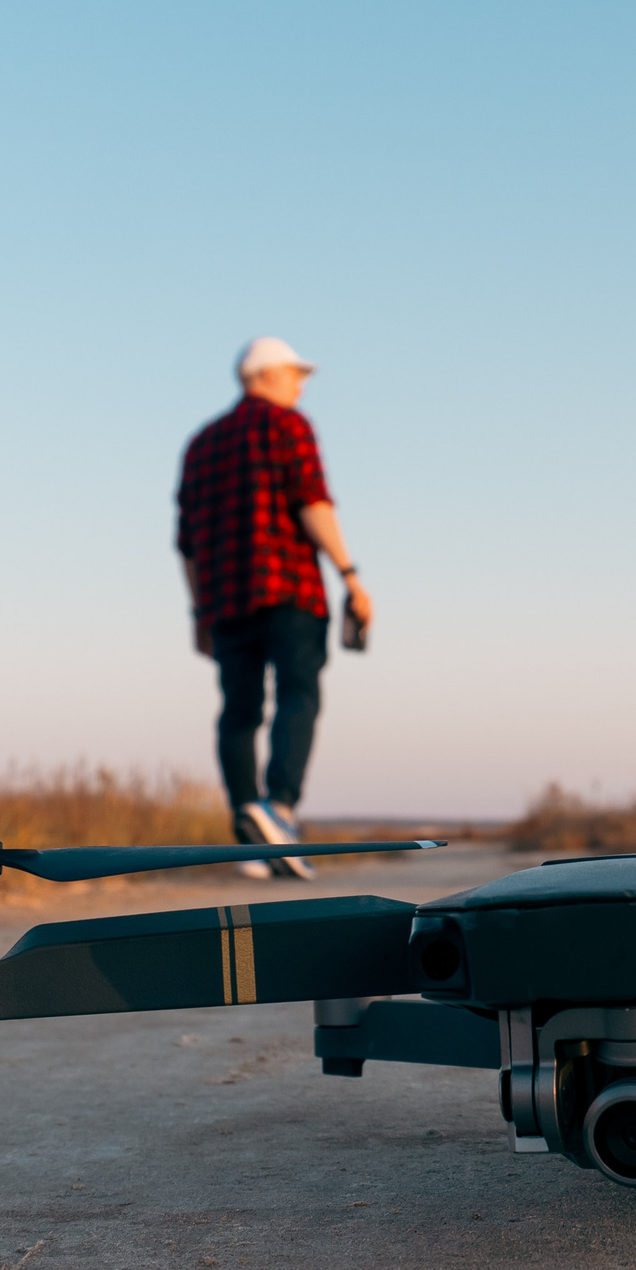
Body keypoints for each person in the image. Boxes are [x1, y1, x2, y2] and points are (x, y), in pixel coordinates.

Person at [174, 336, 373, 879]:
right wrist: (351, 576)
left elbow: (187, 541)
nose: (301, 384)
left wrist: (198, 613)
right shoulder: (289, 426)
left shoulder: (200, 444)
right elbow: (313, 501)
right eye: (294, 372)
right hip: (288, 588)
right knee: (298, 694)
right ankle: (278, 811)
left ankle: (247, 827)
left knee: (239, 710)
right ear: (262, 376)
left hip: (226, 603)